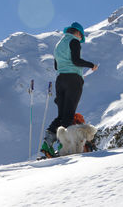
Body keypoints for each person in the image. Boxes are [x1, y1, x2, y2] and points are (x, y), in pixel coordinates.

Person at [41, 22, 98, 157]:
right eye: (81, 36)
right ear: (78, 33)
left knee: (61, 115)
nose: (80, 39)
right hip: (73, 80)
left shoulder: (58, 45)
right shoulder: (74, 41)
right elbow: (76, 61)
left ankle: (47, 144)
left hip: (60, 80)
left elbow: (56, 66)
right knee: (69, 114)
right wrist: (91, 65)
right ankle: (64, 146)